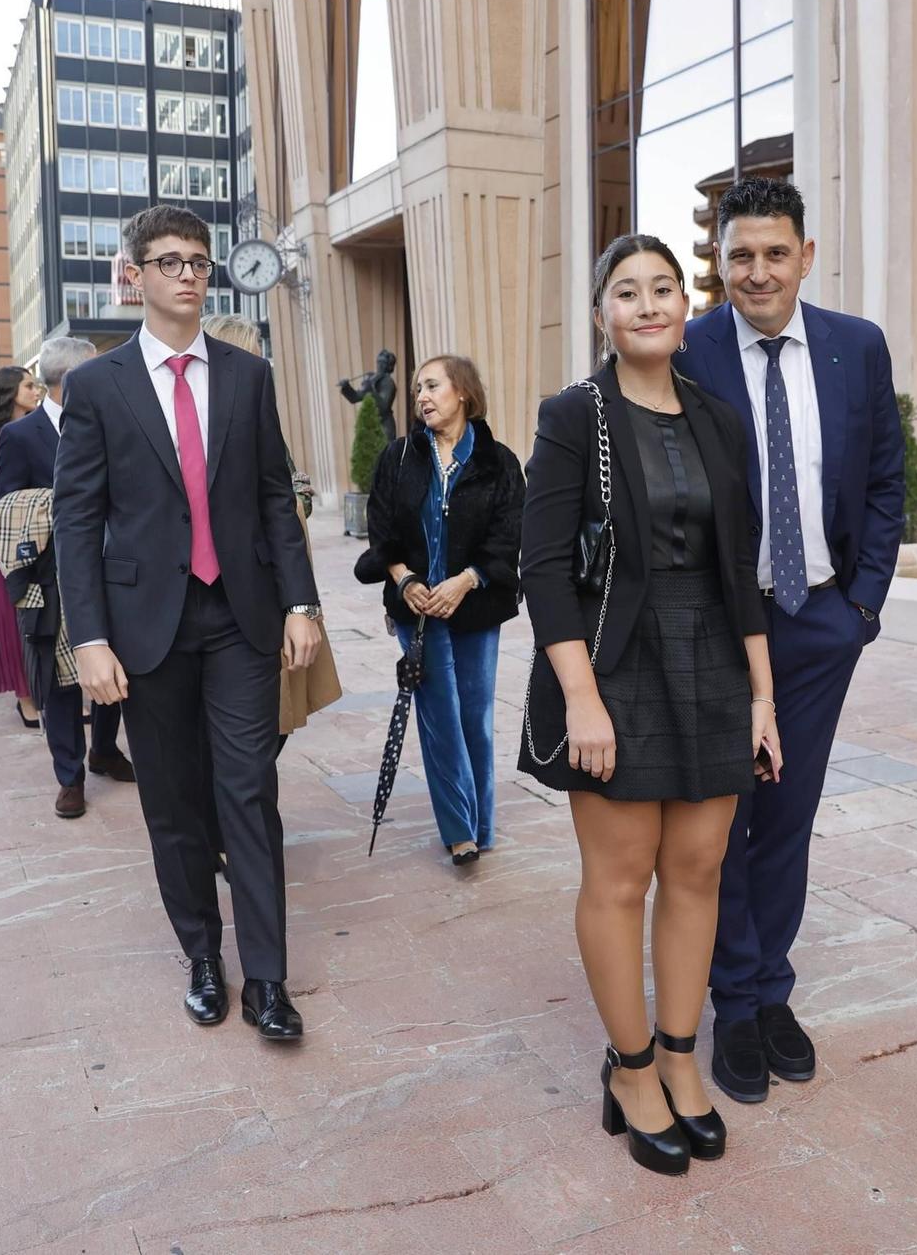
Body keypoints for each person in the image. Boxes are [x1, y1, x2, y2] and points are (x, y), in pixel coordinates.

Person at [518, 234, 781, 1176]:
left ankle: (679, 1056)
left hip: (713, 653)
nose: (647, 304)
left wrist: (762, 695)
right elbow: (542, 567)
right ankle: (629, 1070)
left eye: (663, 288)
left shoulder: (715, 416)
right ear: (602, 316)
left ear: (685, 304)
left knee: (700, 867)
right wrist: (581, 699)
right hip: (615, 660)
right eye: (626, 292)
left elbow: (741, 570)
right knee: (621, 877)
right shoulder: (571, 415)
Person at [55, 205, 321, 1041]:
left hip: (239, 615)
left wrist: (302, 601)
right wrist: (88, 639)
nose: (188, 275)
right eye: (169, 261)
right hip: (143, 627)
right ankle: (204, 957)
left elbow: (276, 496)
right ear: (134, 275)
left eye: (199, 262)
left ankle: (269, 979)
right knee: (171, 800)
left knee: (249, 788)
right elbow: (76, 517)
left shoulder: (249, 376)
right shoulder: (99, 386)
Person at [674, 177, 905, 1106]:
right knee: (722, 822)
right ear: (718, 263)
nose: (757, 271)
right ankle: (736, 1004)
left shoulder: (857, 347)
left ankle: (773, 990)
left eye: (775, 252)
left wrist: (862, 609)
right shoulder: (685, 351)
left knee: (788, 816)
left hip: (817, 623)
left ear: (806, 256)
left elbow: (886, 482)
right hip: (724, 630)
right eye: (739, 255)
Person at [365, 353, 522, 864]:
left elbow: (508, 538)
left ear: (463, 392)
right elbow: (382, 533)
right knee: (440, 718)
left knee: (475, 716)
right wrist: (404, 579)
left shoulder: (498, 461)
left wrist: (466, 580)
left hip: (476, 607)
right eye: (416, 391)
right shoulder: (399, 458)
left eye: (432, 386)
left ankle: (482, 822)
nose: (421, 398)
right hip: (419, 612)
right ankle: (460, 831)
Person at [0, 340, 133, 816]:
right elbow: (3, 508)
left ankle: (105, 749)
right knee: (60, 682)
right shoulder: (21, 435)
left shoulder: (115, 423)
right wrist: (64, 506)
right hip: (51, 579)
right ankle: (69, 775)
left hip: (115, 568)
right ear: (70, 380)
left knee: (116, 662)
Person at [204, 313, 342, 751]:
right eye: (255, 359)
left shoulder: (255, 414)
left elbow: (284, 488)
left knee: (269, 722)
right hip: (236, 594)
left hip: (277, 590)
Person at [0, 368, 44, 725]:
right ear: (9, 391)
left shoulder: (37, 426)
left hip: (45, 538)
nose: (36, 391)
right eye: (29, 385)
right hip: (10, 544)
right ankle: (25, 697)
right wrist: (7, 547)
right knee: (15, 621)